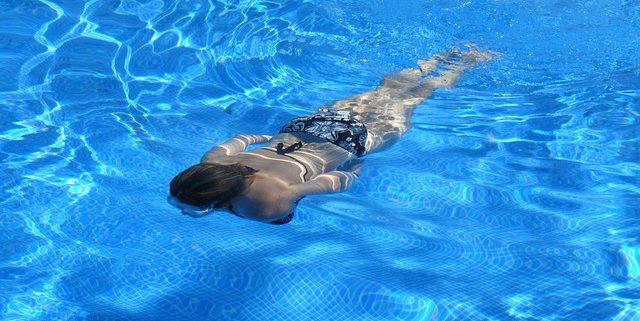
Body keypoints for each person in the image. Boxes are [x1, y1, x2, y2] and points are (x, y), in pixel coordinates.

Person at [168, 47, 493, 224]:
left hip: (351, 141)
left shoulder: (264, 205)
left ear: (215, 201)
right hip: (306, 127)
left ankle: (466, 63)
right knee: (387, 89)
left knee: (416, 97)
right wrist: (264, 136)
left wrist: (352, 171)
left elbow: (326, 183)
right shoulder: (212, 160)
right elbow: (242, 137)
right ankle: (438, 55)